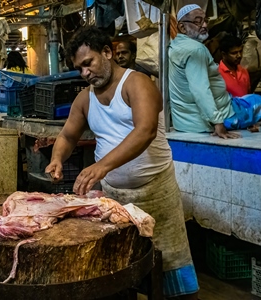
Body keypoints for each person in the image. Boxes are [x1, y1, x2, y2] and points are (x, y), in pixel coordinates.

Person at [45, 26, 199, 300]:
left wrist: (101, 166)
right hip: (116, 200)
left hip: (156, 194)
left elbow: (145, 130)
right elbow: (68, 135)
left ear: (107, 52)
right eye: (79, 68)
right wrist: (57, 158)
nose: (85, 73)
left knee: (170, 269)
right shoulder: (84, 100)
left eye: (88, 63)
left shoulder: (137, 83)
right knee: (121, 269)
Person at [169, 4, 261, 138]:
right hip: (211, 118)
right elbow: (200, 90)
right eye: (198, 21)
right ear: (182, 27)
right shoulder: (196, 50)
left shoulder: (176, 45)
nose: (205, 25)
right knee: (258, 103)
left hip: (185, 120)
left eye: (205, 20)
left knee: (251, 98)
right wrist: (218, 122)